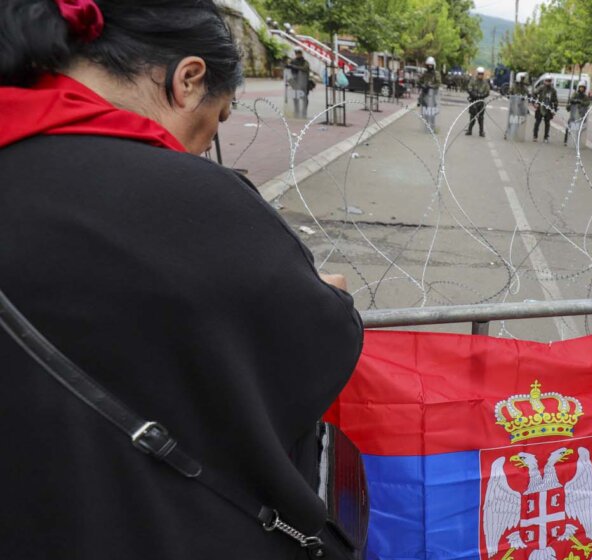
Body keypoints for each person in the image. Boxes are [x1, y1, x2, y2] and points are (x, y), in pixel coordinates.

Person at [0, 2, 364, 559]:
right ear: (188, 80)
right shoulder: (195, 202)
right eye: (216, 121)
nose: (201, 146)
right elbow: (315, 345)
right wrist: (331, 301)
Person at [286, 48, 311, 119]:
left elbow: (305, 68)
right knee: (295, 98)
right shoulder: (293, 61)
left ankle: (304, 112)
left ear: (301, 54)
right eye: (296, 53)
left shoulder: (305, 62)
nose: (297, 55)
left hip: (303, 83)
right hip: (295, 83)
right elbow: (288, 70)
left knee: (304, 99)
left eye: (299, 53)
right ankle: (296, 112)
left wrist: (295, 67)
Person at [533, 75, 558, 143]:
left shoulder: (553, 90)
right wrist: (535, 103)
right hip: (540, 107)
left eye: (549, 81)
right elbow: (534, 94)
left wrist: (554, 109)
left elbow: (555, 100)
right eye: (547, 80)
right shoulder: (541, 88)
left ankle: (546, 137)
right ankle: (535, 136)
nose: (548, 82)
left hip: (548, 108)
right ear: (544, 81)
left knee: (547, 123)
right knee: (537, 122)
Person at [466, 66, 490, 137]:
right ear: (477, 73)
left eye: (482, 74)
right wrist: (474, 94)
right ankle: (469, 130)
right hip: (474, 100)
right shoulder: (473, 81)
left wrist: (482, 95)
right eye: (479, 73)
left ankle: (481, 131)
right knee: (472, 116)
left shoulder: (485, 83)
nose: (480, 75)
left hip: (481, 102)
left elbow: (487, 92)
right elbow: (469, 88)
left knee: (481, 117)